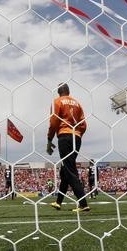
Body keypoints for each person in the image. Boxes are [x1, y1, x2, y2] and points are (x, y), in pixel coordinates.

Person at [46, 82, 90, 212]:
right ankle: (58, 202)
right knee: (65, 170)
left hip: (64, 136)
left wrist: (49, 139)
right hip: (77, 137)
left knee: (70, 170)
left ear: (58, 92)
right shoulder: (77, 103)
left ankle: (83, 203)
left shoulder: (57, 101)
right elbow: (84, 124)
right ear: (68, 91)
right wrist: (77, 134)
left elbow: (54, 122)